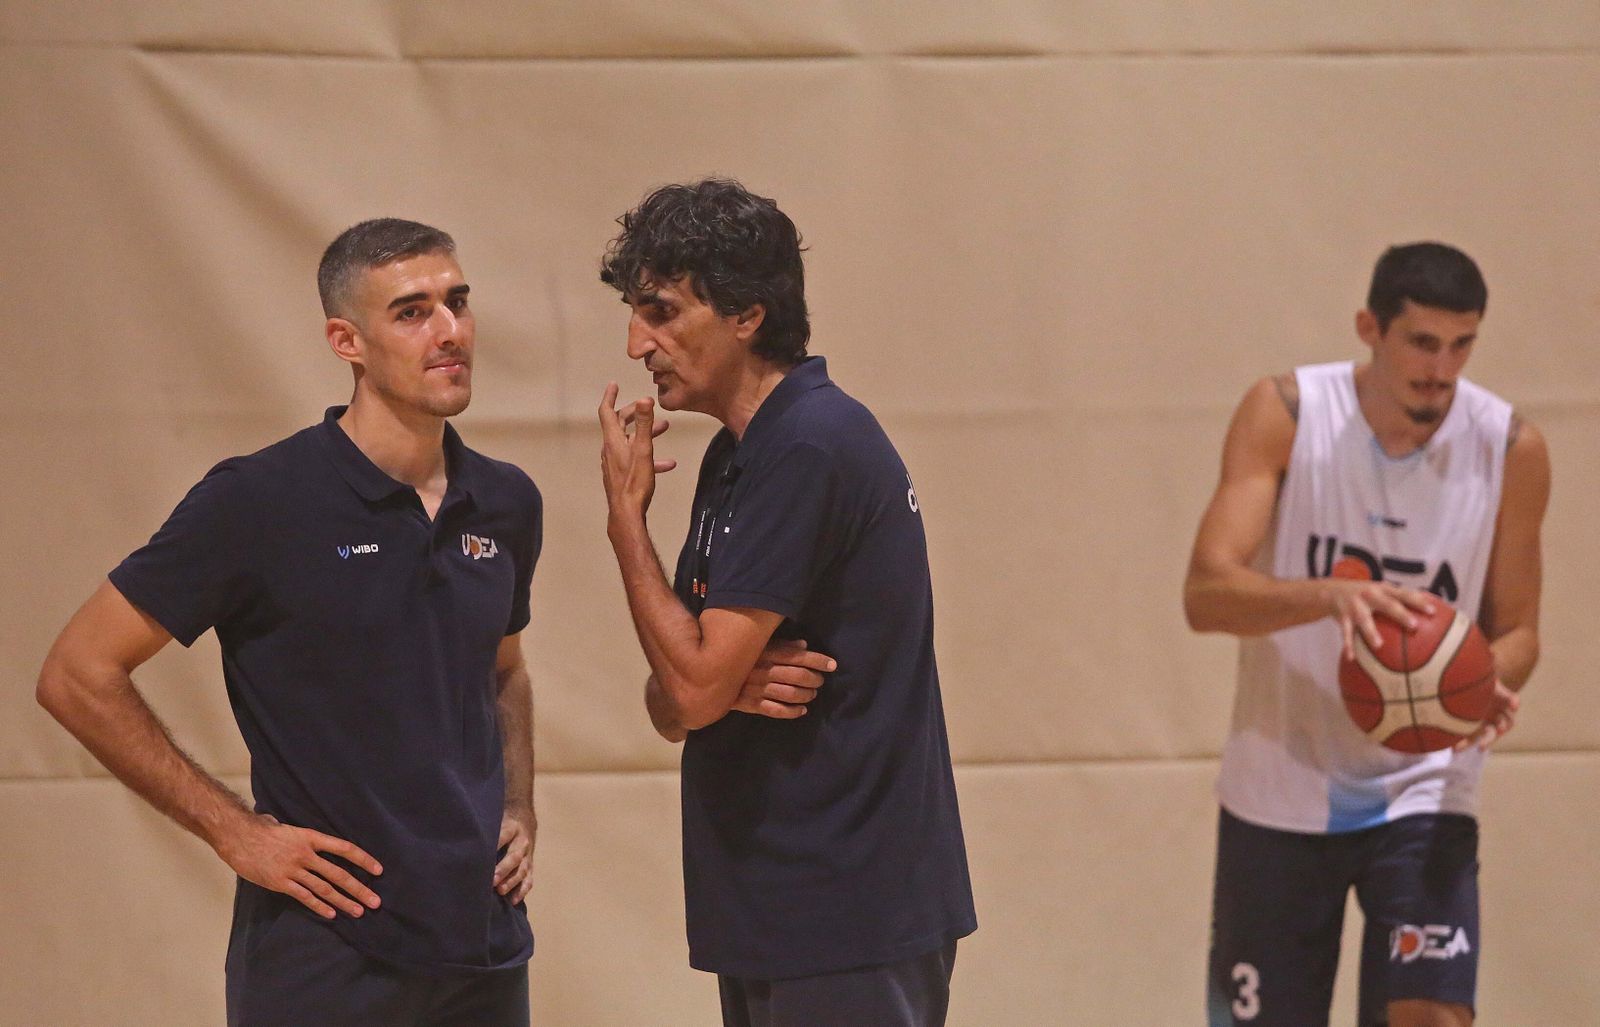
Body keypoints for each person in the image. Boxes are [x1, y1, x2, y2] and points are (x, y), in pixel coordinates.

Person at [36, 219, 540, 1026]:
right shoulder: (258, 501)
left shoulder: (508, 501)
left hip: (483, 947)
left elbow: (504, 669)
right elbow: (76, 673)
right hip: (324, 960)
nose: (449, 330)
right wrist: (236, 832)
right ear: (347, 340)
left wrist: (519, 803)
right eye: (411, 312)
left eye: (458, 301)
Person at [595, 179, 977, 1027]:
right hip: (777, 903)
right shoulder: (738, 456)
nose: (635, 343)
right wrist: (712, 684)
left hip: (846, 906)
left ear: (747, 314)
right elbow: (674, 701)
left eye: (660, 312)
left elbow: (689, 689)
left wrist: (626, 524)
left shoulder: (810, 444)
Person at [1183, 242, 1550, 1027]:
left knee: (1431, 1017)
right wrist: (1328, 597)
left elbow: (1518, 630)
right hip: (1281, 780)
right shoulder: (1288, 414)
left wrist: (1486, 686)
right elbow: (1207, 593)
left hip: (1423, 782)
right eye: (1423, 342)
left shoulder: (1510, 448)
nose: (1441, 368)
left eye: (1462, 345)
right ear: (1369, 328)